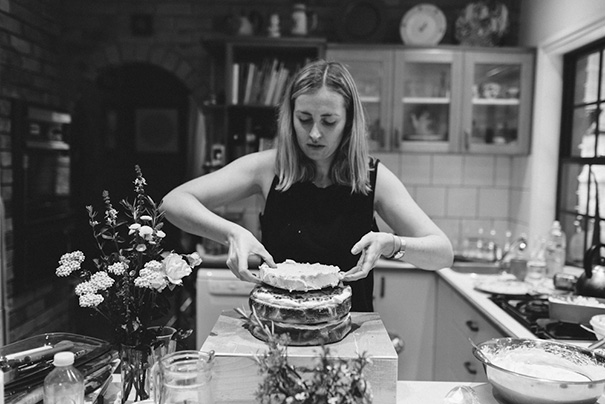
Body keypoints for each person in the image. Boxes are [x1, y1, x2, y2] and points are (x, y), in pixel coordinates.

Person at [162, 60, 453, 312]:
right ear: (290, 117)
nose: (314, 133)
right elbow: (173, 203)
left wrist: (393, 244)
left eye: (329, 121)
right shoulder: (267, 168)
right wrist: (232, 232)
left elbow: (442, 252)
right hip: (279, 334)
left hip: (348, 335)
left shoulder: (371, 176)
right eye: (304, 119)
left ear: (348, 122)